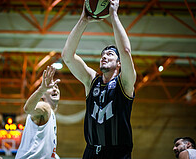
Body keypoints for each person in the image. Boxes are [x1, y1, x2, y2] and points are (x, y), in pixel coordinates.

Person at [61, 0, 136, 158]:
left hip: (117, 153)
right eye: (102, 54)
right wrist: (83, 20)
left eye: (110, 54)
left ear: (119, 63)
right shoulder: (91, 81)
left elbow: (126, 50)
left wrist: (114, 15)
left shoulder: (125, 83)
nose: (104, 57)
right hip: (91, 151)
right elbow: (67, 56)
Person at [15, 65, 60, 159]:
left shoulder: (51, 114)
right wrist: (42, 89)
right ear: (43, 96)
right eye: (51, 88)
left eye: (56, 87)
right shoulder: (44, 107)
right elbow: (28, 109)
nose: (55, 89)